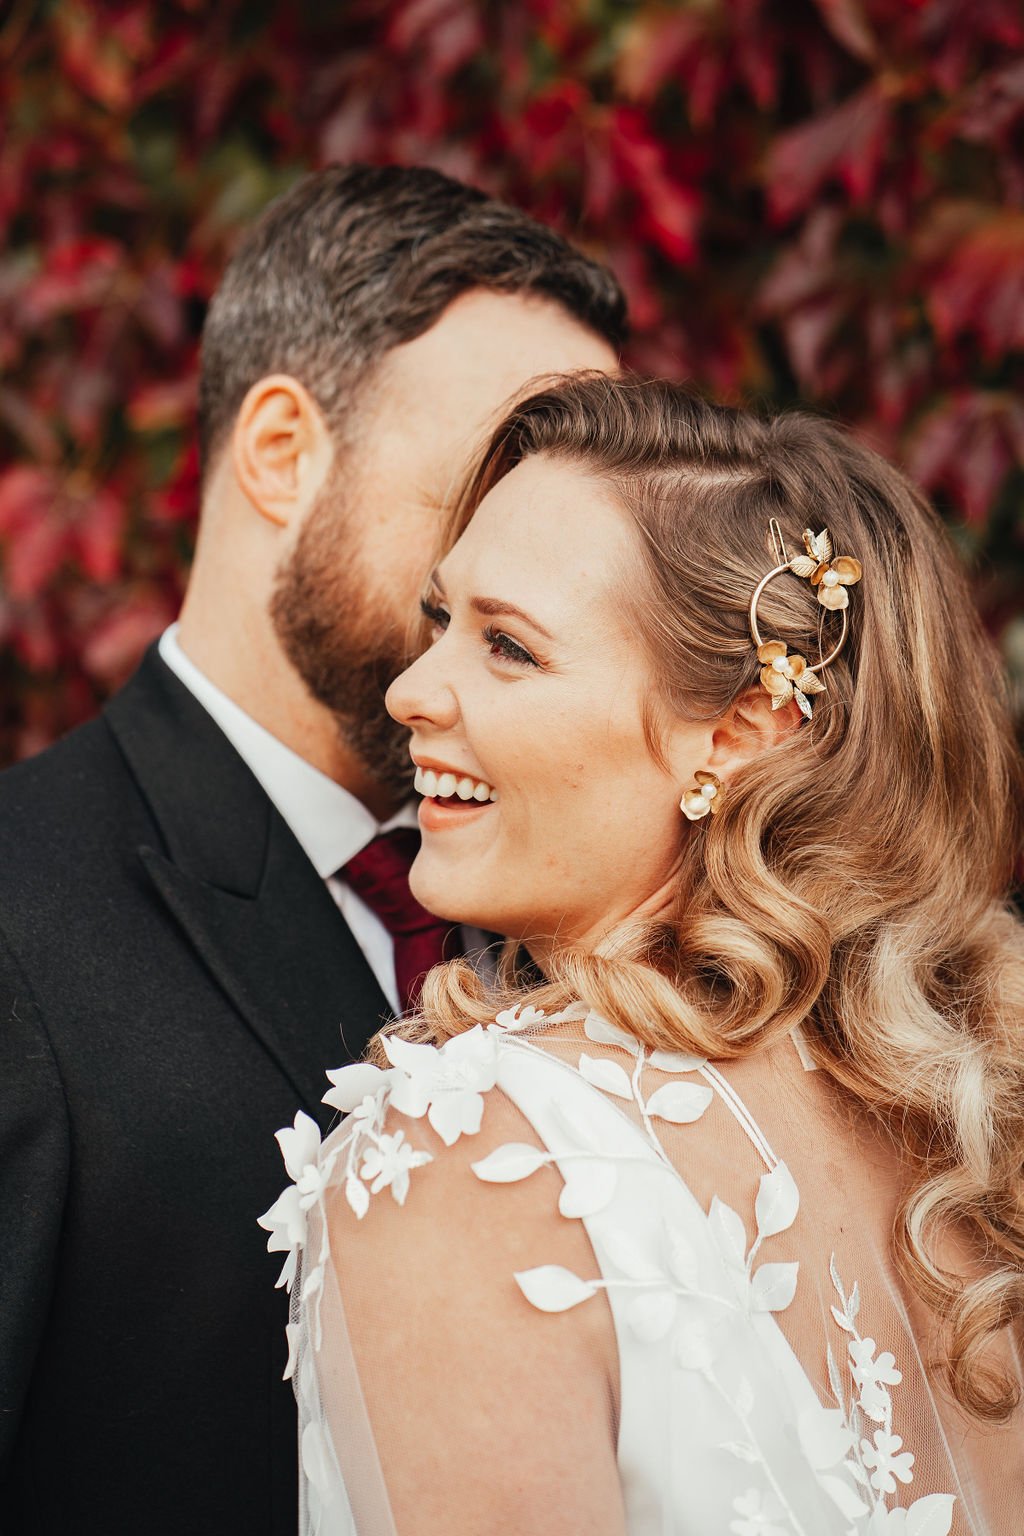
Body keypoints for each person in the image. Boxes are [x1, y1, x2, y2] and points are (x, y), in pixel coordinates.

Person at [266, 374, 1024, 1535]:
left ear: (737, 733)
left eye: (508, 648)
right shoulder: (976, 1120)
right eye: (440, 623)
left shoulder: (466, 1167)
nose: (413, 692)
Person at [0, 168, 623, 1534]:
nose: (535, 576)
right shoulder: (20, 932)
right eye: (489, 493)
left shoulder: (605, 918)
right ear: (283, 451)